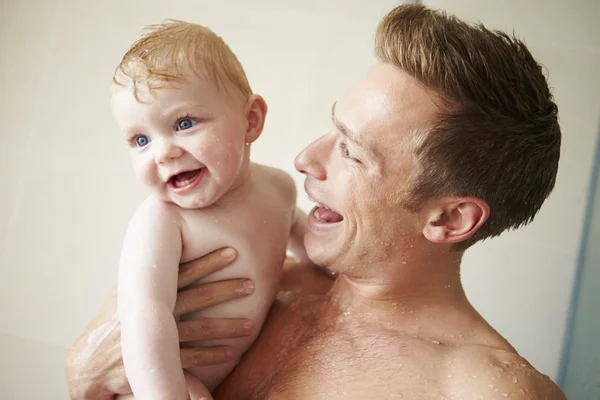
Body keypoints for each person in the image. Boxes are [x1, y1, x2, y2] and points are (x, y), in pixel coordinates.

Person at [67, 4, 567, 399]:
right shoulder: (249, 282)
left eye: (351, 151)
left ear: (450, 217)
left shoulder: (481, 391)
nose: (305, 158)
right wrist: (83, 376)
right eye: (333, 127)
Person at [108, 21, 310, 400]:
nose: (162, 152)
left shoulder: (279, 188)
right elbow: (144, 316)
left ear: (251, 120)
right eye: (140, 139)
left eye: (184, 123)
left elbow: (301, 234)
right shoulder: (164, 221)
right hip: (164, 383)